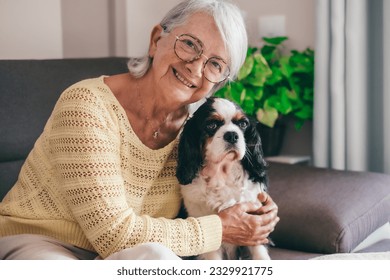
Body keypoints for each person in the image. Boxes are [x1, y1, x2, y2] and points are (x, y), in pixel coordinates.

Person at [0, 0, 279, 260]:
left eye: (215, 64)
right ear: (156, 40)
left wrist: (256, 212)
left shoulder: (198, 131)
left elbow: (224, 188)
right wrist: (221, 228)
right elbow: (113, 235)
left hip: (124, 254)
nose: (195, 67)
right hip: (42, 242)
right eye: (190, 45)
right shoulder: (87, 105)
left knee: (158, 259)